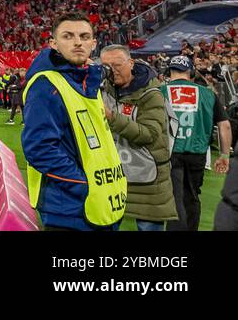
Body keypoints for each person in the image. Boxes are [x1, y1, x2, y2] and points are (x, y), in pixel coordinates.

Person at [21, 12, 127, 231]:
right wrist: (83, 184)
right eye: (68, 36)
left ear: (94, 43)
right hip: (69, 209)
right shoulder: (45, 85)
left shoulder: (88, 82)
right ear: (54, 44)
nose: (78, 42)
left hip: (104, 201)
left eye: (84, 36)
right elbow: (39, 148)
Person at [99, 45, 176, 231]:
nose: (112, 70)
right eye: (106, 66)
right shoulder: (103, 90)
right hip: (114, 175)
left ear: (131, 63)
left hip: (148, 180)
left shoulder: (151, 94)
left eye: (117, 64)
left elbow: (148, 134)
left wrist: (111, 117)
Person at [161, 55, 232, 231]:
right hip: (197, 153)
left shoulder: (159, 91)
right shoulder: (208, 93)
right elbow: (225, 126)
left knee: (175, 197)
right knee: (192, 196)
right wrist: (224, 155)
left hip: (168, 152)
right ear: (191, 71)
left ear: (169, 71)